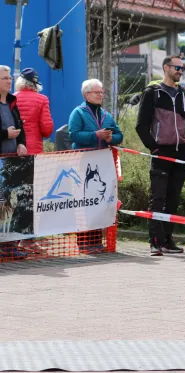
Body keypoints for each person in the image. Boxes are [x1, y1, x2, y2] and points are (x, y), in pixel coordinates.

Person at [136, 55, 185, 256]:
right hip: (161, 152)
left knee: (173, 199)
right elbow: (141, 125)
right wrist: (154, 148)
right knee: (157, 199)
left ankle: (168, 240)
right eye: (177, 67)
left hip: (181, 154)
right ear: (166, 67)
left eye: (182, 68)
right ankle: (155, 241)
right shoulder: (152, 92)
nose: (180, 70)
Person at [68, 78, 123, 253]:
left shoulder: (106, 114)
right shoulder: (78, 113)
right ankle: (84, 242)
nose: (101, 95)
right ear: (86, 94)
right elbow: (74, 135)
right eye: (97, 92)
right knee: (85, 202)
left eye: (101, 92)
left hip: (103, 164)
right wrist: (95, 135)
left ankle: (96, 241)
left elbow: (119, 135)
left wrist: (110, 139)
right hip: (84, 162)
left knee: (99, 202)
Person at [0, 65, 28, 260]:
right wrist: (5, 134)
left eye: (10, 78)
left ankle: (9, 246)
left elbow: (21, 127)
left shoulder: (12, 102)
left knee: (11, 206)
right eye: (4, 78)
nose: (9, 81)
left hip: (11, 163)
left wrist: (21, 144)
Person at [14, 68, 54, 155]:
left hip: (14, 147)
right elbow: (47, 129)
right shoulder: (43, 99)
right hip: (34, 148)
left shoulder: (11, 99)